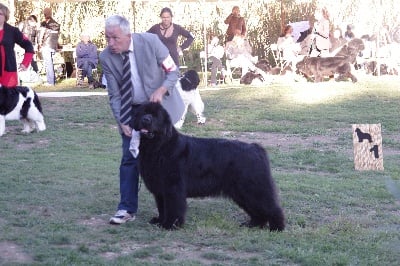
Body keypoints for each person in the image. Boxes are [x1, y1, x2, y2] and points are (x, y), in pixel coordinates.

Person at [99, 15, 184, 225]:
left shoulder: (151, 42)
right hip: (132, 110)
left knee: (169, 158)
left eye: (115, 38)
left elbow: (173, 71)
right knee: (130, 157)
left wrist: (162, 89)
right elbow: (115, 95)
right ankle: (126, 209)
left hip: (160, 108)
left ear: (128, 35)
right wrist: (122, 121)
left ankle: (170, 210)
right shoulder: (106, 57)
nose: (111, 43)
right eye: (107, 38)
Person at [0, 3, 34, 87]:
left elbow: (28, 46)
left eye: (0, 14)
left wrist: (25, 63)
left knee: (10, 98)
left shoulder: (13, 31)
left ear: (5, 16)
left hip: (8, 72)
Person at [38, 7, 60, 86]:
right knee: (50, 63)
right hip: (53, 46)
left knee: (48, 63)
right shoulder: (56, 24)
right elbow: (57, 36)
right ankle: (52, 80)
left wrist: (39, 43)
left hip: (46, 45)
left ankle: (50, 82)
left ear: (44, 14)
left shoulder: (44, 23)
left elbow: (41, 34)